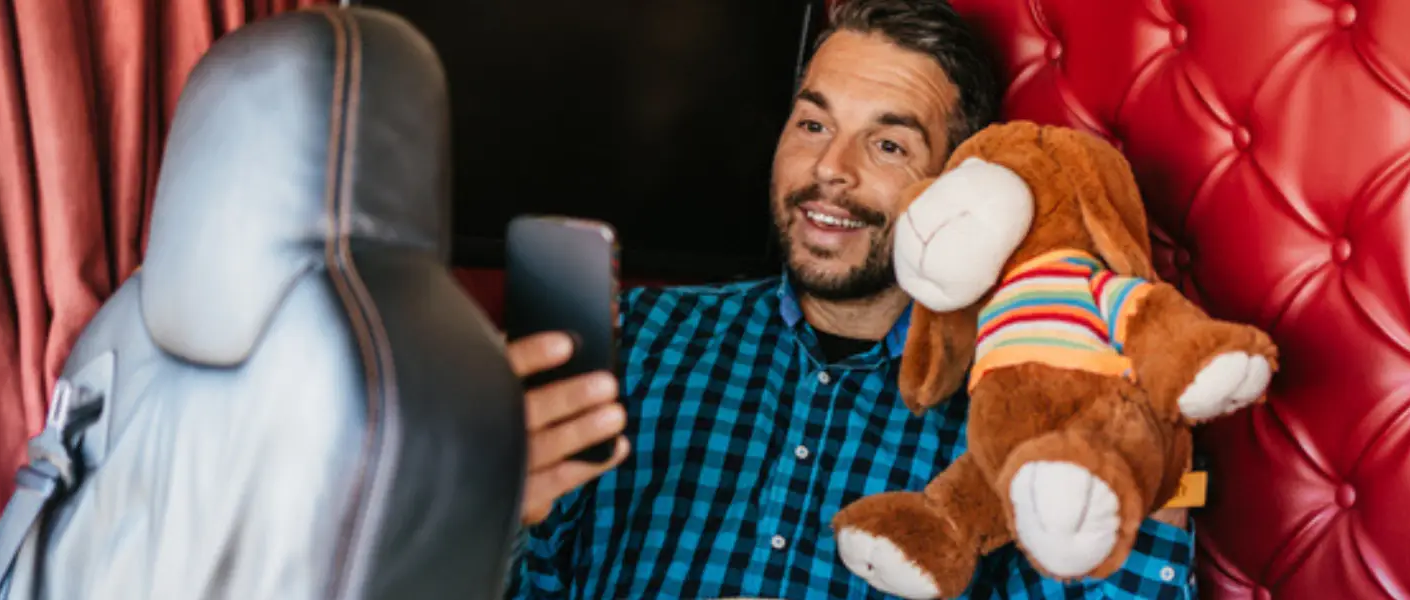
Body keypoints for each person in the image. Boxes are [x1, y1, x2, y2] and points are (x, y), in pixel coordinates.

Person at [504, 0, 1196, 597]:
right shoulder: (639, 341)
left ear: (956, 187)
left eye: (888, 145)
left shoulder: (1017, 408)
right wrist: (490, 500)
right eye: (813, 125)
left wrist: (1139, 446)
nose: (831, 168)